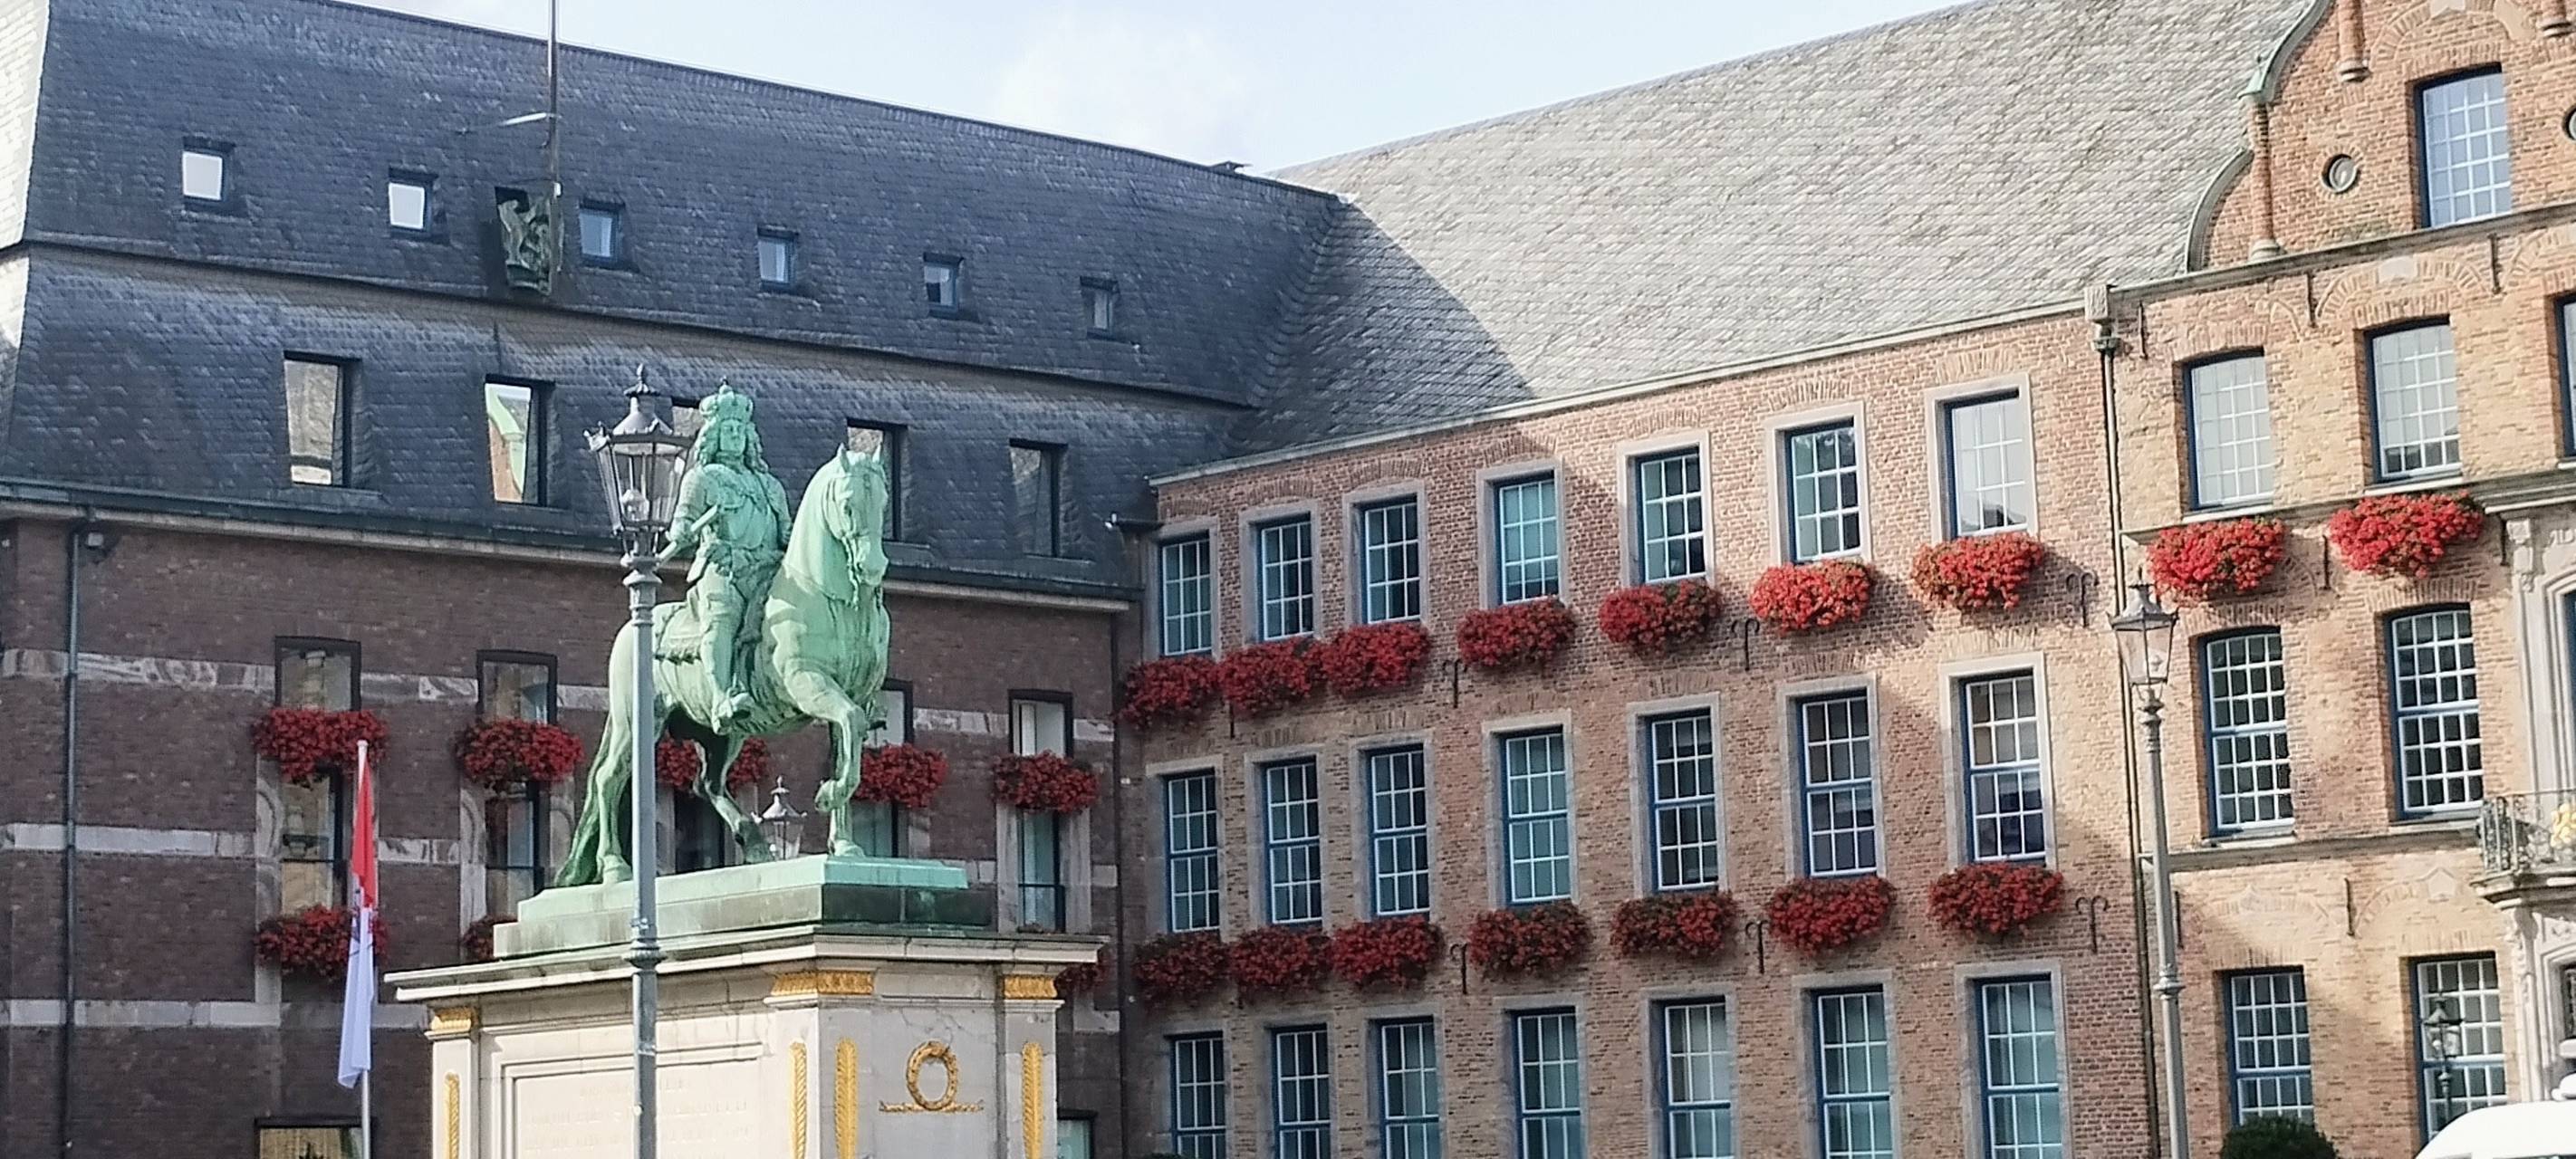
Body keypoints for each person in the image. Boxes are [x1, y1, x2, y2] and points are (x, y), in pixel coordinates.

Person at [662, 381, 790, 732]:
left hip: (767, 569)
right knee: (721, 621)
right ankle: (721, 696)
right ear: (714, 435)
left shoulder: (770, 486)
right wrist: (682, 532)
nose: (735, 436)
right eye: (728, 430)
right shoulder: (700, 479)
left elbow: (787, 535)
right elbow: (680, 526)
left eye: (740, 430)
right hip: (724, 567)